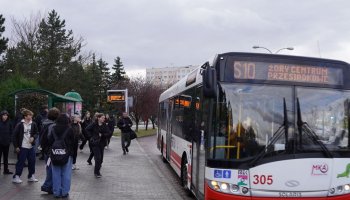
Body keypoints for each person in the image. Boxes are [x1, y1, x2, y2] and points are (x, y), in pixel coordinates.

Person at [47, 114, 74, 198]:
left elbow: (50, 140)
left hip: (55, 154)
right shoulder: (69, 129)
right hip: (67, 154)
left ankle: (56, 192)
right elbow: (73, 142)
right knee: (66, 174)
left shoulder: (53, 128)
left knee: (56, 174)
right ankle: (65, 192)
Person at [12, 109, 39, 184]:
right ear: (25, 116)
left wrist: (33, 137)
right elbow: (14, 136)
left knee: (32, 161)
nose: (31, 117)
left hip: (30, 147)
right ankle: (16, 176)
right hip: (22, 147)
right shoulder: (20, 124)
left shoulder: (33, 124)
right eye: (30, 115)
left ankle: (31, 176)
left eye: (31, 115)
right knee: (21, 162)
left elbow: (36, 133)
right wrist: (16, 146)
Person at [40, 107, 60, 194]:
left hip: (45, 149)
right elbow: (50, 138)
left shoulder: (45, 123)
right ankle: (47, 186)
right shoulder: (52, 125)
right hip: (50, 150)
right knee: (51, 169)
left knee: (49, 168)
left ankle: (49, 186)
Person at [85, 113, 111, 178]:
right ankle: (96, 172)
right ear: (98, 118)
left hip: (102, 143)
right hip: (95, 143)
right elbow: (87, 129)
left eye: (104, 118)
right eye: (102, 118)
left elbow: (109, 133)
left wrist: (102, 135)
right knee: (98, 158)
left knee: (101, 159)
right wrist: (91, 137)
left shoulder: (104, 125)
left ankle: (97, 169)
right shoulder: (94, 124)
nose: (103, 119)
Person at [0, 110, 13, 175]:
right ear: (1, 116)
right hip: (0, 143)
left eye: (6, 115)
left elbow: (11, 132)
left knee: (6, 157)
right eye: (4, 115)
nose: (5, 116)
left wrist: (10, 139)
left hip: (6, 143)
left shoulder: (9, 123)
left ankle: (6, 170)